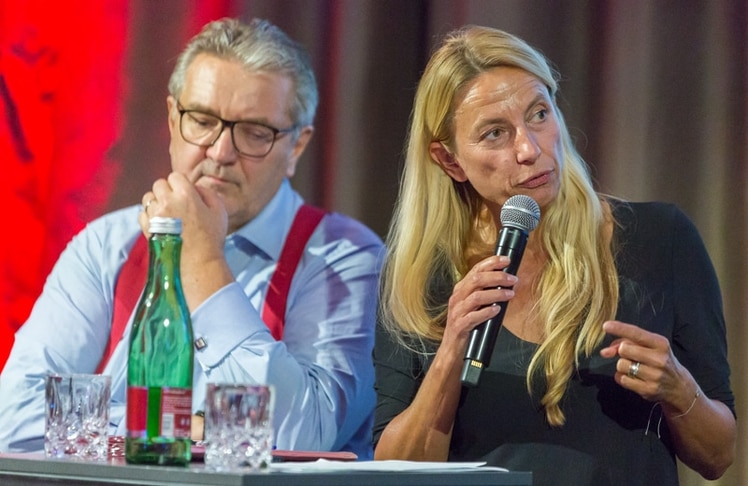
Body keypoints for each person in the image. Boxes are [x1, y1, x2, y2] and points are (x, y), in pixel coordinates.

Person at [0, 17, 383, 460]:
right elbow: (12, 419)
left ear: (296, 146)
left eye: (255, 132)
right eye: (201, 121)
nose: (220, 152)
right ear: (171, 117)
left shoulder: (345, 259)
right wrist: (191, 426)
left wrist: (201, 263)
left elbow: (306, 435)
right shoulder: (107, 245)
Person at [372, 25, 736, 484]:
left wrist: (680, 391)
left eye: (539, 114)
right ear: (449, 161)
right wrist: (450, 355)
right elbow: (395, 472)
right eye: (495, 134)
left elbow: (719, 455)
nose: (530, 149)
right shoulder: (421, 276)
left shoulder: (660, 240)